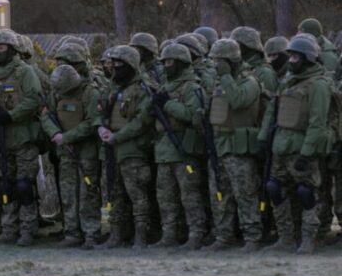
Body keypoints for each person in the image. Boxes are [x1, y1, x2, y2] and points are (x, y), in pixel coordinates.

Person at [259, 34, 334, 255]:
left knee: (306, 192)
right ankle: (286, 238)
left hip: (301, 149)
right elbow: (273, 111)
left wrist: (307, 153)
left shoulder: (318, 85)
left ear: (308, 58)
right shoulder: (287, 81)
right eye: (289, 56)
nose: (290, 60)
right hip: (280, 146)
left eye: (295, 57)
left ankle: (309, 239)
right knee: (274, 188)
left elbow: (317, 123)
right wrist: (264, 139)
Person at [0, 30, 43, 246]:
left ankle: (27, 230)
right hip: (2, 140)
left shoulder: (25, 72)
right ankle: (9, 229)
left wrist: (10, 116)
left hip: (23, 137)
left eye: (1, 48)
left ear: (12, 49)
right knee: (5, 184)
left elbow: (33, 100)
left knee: (24, 185)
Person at [204, 39, 263, 252]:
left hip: (239, 148)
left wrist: (226, 76)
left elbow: (238, 101)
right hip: (220, 146)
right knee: (219, 194)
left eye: (219, 60)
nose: (215, 65)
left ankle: (252, 237)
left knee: (245, 194)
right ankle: (223, 236)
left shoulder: (250, 82)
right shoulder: (220, 83)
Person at [96, 45, 155, 250]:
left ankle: (141, 236)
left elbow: (141, 121)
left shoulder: (143, 88)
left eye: (121, 65)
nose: (116, 69)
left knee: (137, 194)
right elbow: (100, 109)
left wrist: (117, 136)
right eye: (114, 64)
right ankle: (112, 234)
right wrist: (101, 128)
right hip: (110, 151)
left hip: (133, 150)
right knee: (110, 193)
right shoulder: (111, 87)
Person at [151, 43, 207, 250]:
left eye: (170, 61)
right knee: (165, 197)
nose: (166, 66)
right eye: (164, 62)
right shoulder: (165, 87)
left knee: (189, 195)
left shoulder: (192, 87)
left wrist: (166, 105)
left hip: (184, 148)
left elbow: (192, 116)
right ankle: (169, 234)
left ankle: (196, 234)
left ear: (182, 63)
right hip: (164, 148)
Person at [42, 64, 102, 249]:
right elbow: (45, 116)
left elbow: (93, 121)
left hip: (86, 152)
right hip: (65, 153)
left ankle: (91, 233)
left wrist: (67, 137)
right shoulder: (55, 93)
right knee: (68, 193)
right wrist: (55, 134)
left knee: (87, 194)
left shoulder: (89, 93)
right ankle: (72, 232)